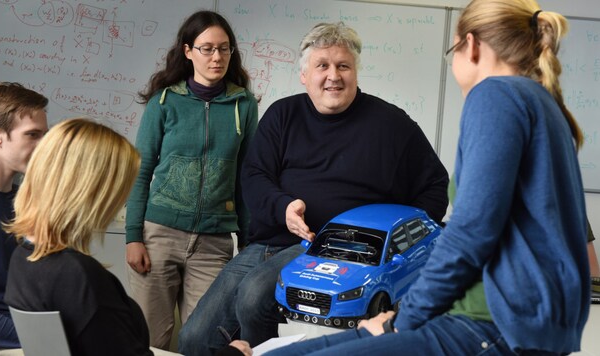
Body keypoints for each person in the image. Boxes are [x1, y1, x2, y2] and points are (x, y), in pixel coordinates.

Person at [266, 0, 590, 355]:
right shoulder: (540, 100)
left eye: (453, 51)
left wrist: (399, 321)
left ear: (473, 45)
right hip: (515, 319)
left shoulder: (496, 94)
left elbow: (472, 230)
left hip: (491, 320)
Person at [177, 21, 450, 355]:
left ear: (356, 72)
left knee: (254, 297)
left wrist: (408, 244)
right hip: (272, 242)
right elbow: (254, 174)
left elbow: (435, 185)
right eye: (322, 65)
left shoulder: (393, 125)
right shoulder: (282, 114)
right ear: (305, 75)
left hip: (340, 256)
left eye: (343, 66)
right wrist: (284, 207)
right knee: (193, 340)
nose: (333, 76)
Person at [2, 118, 251, 356]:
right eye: (121, 188)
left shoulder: (24, 256)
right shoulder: (79, 276)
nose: (122, 199)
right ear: (92, 192)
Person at [125, 10, 258, 350]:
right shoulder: (164, 102)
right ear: (188, 51)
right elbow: (141, 172)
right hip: (159, 236)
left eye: (225, 49)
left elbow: (246, 178)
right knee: (150, 340)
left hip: (214, 243)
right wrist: (133, 237)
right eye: (208, 48)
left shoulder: (243, 105)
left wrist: (247, 241)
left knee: (203, 341)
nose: (218, 57)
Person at [0, 82, 48, 355]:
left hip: (36, 331)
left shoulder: (30, 203)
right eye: (32, 135)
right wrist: (46, 339)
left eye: (45, 135)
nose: (43, 146)